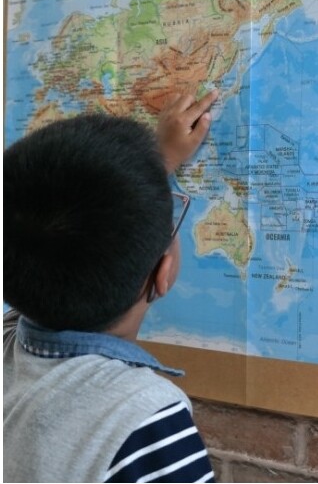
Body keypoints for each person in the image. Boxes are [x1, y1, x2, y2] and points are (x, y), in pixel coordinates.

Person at [3, 89, 219, 483]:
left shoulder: (9, 339)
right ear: (163, 273)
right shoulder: (145, 421)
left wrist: (153, 167)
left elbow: (58, 247)